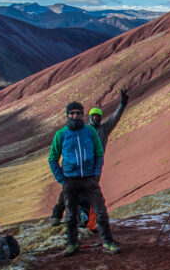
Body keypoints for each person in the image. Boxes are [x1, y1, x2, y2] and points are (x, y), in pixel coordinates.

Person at [48, 101, 120, 256]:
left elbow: (99, 153)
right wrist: (62, 179)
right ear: (67, 115)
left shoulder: (90, 132)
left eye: (78, 113)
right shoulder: (61, 134)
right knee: (71, 215)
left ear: (82, 115)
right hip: (70, 180)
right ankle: (72, 244)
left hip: (89, 179)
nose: (75, 116)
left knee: (100, 211)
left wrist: (96, 175)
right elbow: (52, 158)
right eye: (72, 113)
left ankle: (108, 241)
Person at [50, 89, 129, 226]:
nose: (96, 119)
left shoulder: (104, 129)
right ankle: (58, 215)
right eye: (93, 116)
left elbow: (115, 117)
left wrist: (122, 104)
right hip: (75, 168)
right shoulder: (83, 130)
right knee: (67, 191)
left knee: (90, 193)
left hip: (92, 167)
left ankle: (88, 218)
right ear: (90, 117)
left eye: (98, 117)